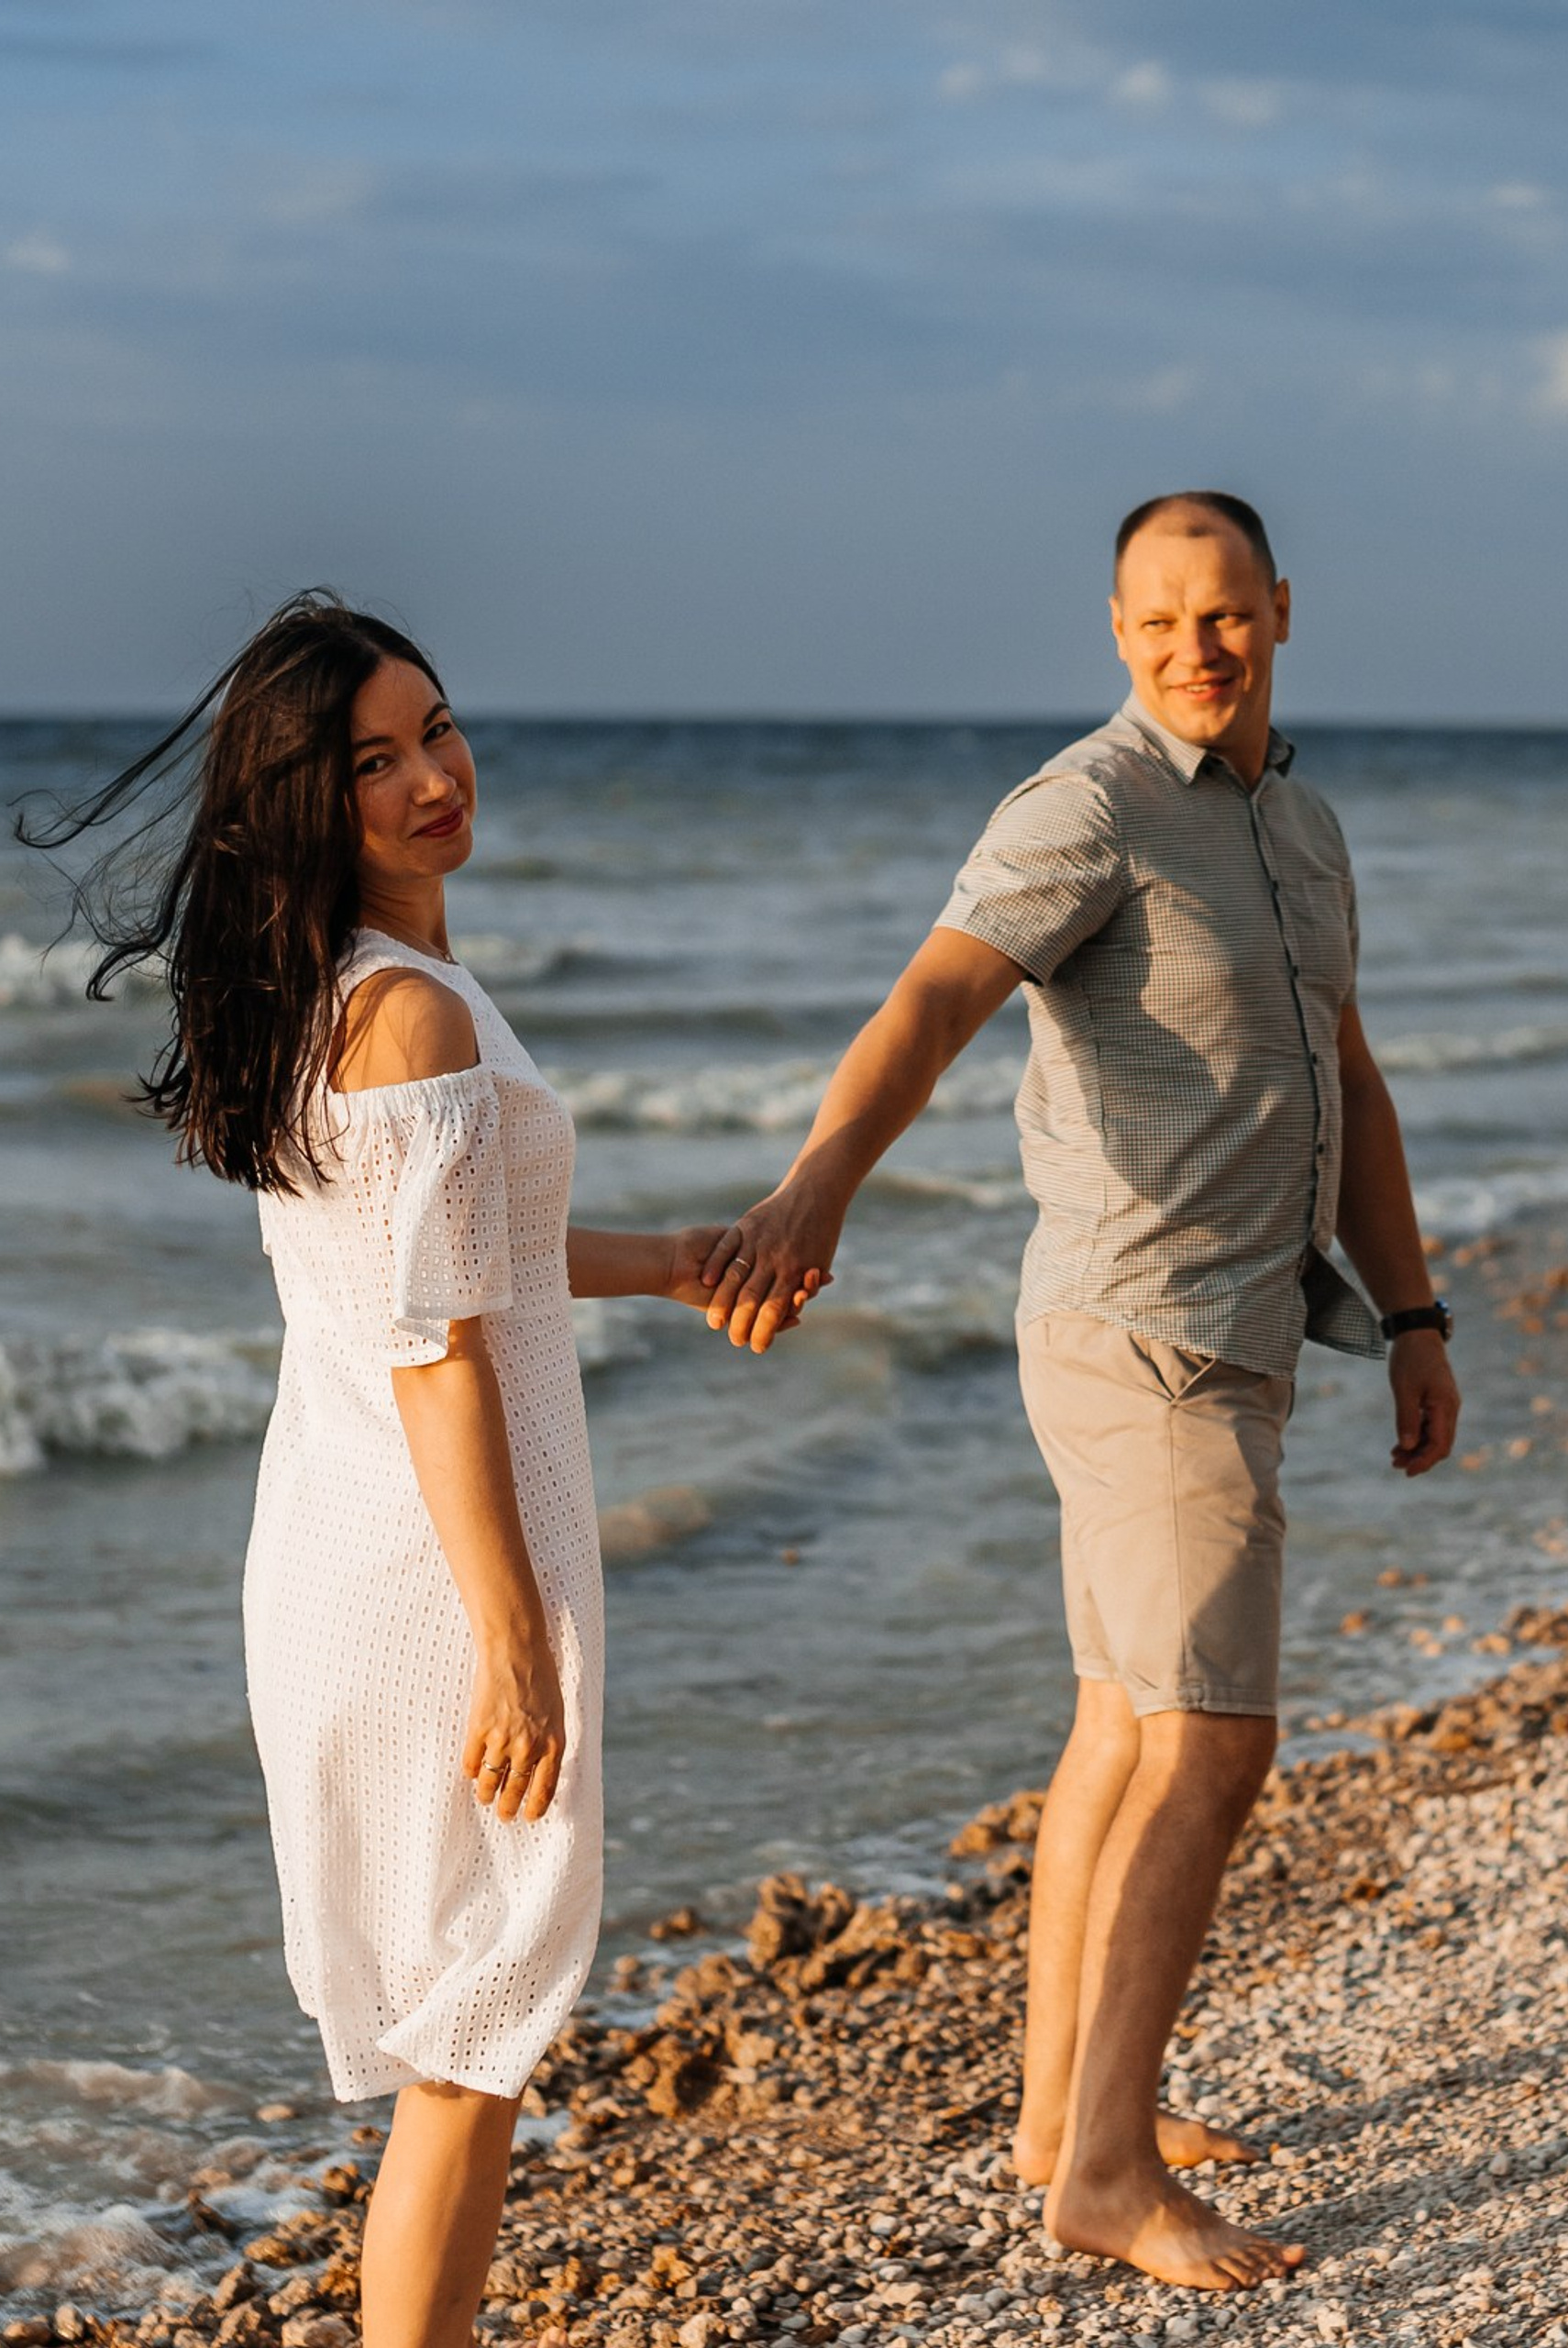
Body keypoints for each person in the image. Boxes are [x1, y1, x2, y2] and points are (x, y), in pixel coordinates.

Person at [700, 493, 1462, 2291]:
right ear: (1112, 630)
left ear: (1281, 609)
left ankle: (1063, 2116)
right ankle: (1106, 2171)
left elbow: (1344, 1063)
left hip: (1240, 1332)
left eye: (1222, 617)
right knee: (1213, 1736)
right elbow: (926, 1007)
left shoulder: (1301, 823)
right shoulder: (1085, 807)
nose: (1192, 649)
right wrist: (814, 1187)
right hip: (1145, 1342)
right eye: (1154, 624)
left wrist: (1413, 1310)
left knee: (1125, 1725)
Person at [17, 593, 732, 2348]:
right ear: (303, 805)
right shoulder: (406, 1021)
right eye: (374, 761)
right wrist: (511, 1636)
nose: (433, 777)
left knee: (463, 2028)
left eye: (438, 730)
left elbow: (476, 1262)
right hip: (430, 1576)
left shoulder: (354, 998)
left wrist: (688, 1258)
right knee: (471, 2036)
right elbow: (436, 1352)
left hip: (354, 1553)